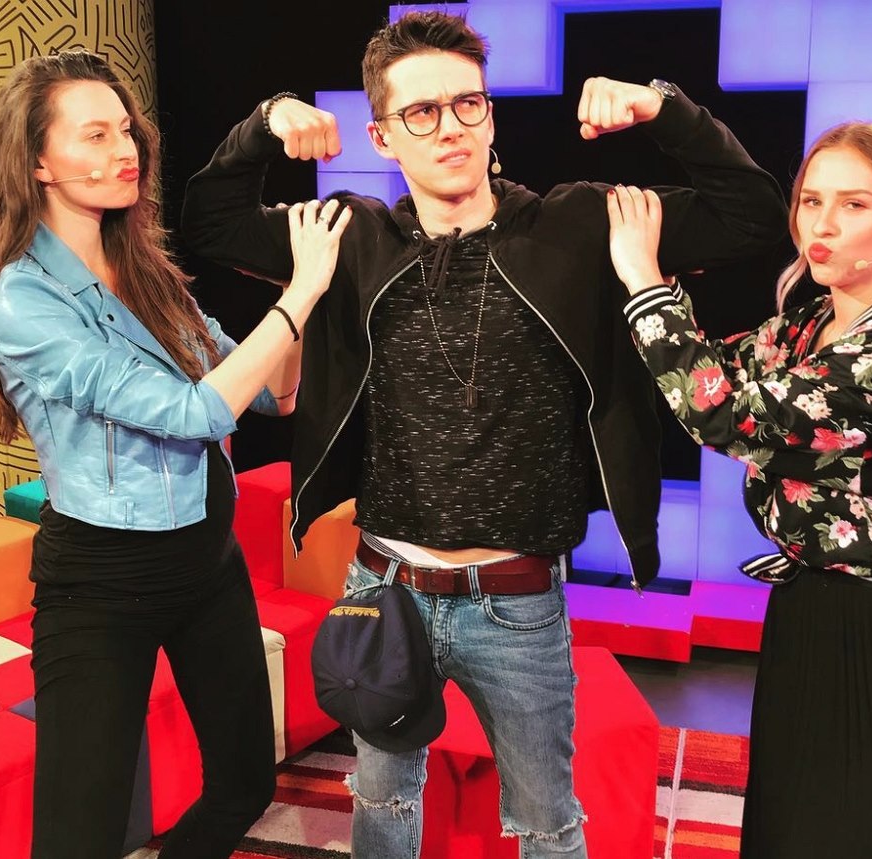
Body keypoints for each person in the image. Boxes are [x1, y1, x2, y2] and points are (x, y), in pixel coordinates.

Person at [180, 10, 788, 857]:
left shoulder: (578, 223)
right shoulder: (350, 236)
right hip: (385, 584)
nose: (450, 128)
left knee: (548, 821)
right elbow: (208, 222)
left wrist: (664, 109)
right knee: (381, 804)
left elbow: (753, 215)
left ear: (491, 115)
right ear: (383, 135)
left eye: (468, 104)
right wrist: (265, 122)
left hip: (518, 600)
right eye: (421, 112)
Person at [0, 50, 351, 859]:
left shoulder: (144, 268)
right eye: (95, 135)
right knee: (77, 841)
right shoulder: (22, 298)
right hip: (103, 583)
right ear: (37, 163)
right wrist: (301, 292)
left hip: (208, 563)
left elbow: (273, 390)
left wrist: (295, 280)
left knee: (244, 784)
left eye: (127, 130)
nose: (125, 149)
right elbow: (193, 412)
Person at [609, 120, 872, 858]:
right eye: (811, 201)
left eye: (854, 204)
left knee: (855, 831)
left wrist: (644, 279)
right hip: (812, 604)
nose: (821, 225)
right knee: (794, 820)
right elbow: (715, 366)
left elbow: (720, 411)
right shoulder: (815, 322)